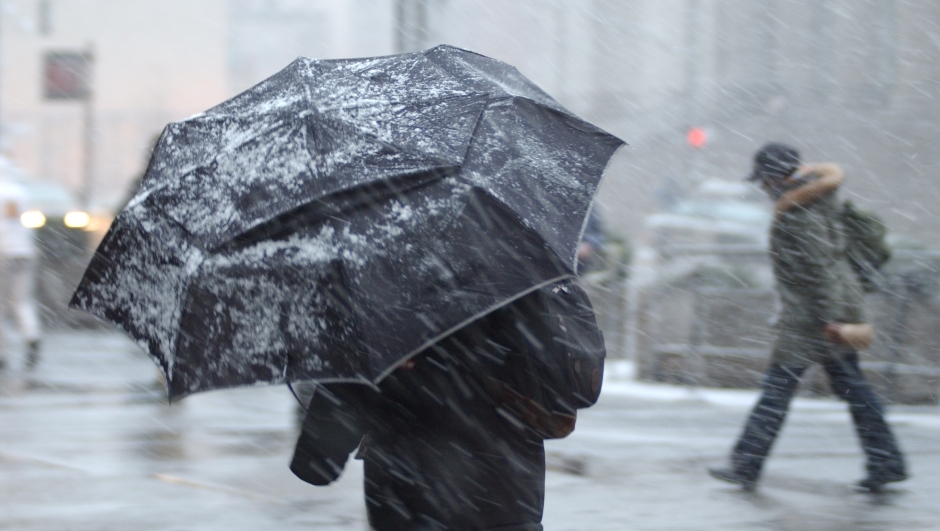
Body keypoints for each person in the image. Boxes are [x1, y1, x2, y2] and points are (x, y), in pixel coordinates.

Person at [290, 280, 605, 530]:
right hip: (512, 501)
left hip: (412, 505)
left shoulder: (390, 282)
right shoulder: (520, 268)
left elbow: (319, 461)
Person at [708, 142, 907, 493]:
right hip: (827, 309)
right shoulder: (818, 201)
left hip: (813, 317)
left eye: (765, 179)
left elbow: (820, 270)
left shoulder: (799, 213)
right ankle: (886, 461)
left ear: (778, 177)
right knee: (852, 389)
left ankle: (746, 465)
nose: (763, 187)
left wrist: (831, 319)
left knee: (777, 391)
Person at [0, 176, 42, 370]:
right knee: (21, 300)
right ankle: (32, 336)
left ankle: (2, 353)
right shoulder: (18, 190)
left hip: (3, 252)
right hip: (23, 251)